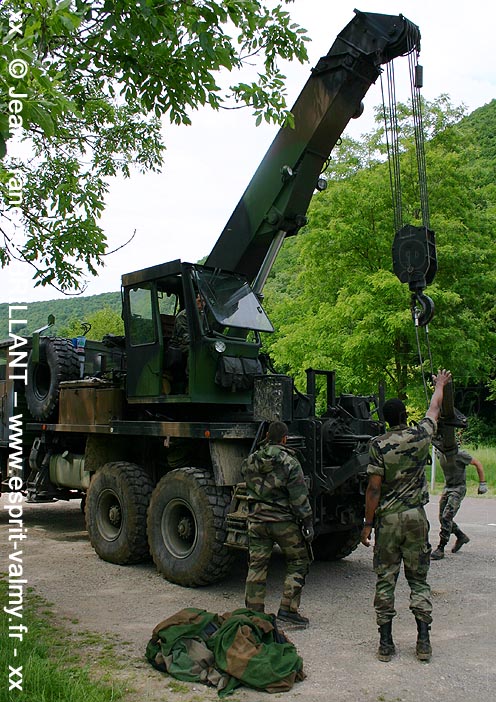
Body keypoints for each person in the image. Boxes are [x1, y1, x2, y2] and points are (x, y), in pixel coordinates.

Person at [361, 369, 452, 663]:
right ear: (403, 414)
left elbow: (373, 490)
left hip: (388, 521)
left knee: (386, 579)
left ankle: (386, 644)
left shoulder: (378, 444)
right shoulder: (421, 434)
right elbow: (434, 409)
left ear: (386, 419)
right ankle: (423, 641)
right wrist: (439, 384)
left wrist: (367, 525)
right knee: (419, 580)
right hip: (415, 517)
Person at [242, 420, 314, 627]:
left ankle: (253, 614)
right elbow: (299, 498)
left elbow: (244, 475)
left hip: (256, 522)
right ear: (284, 438)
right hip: (283, 523)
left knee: (257, 565)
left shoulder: (252, 460)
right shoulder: (290, 462)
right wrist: (307, 522)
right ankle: (288, 610)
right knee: (299, 560)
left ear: (266, 436)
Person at [431, 443, 487, 560]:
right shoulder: (439, 453)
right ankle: (461, 536)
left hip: (458, 488)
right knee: (442, 517)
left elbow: (477, 463)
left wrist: (482, 483)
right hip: (447, 487)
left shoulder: (459, 454)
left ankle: (441, 548)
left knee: (447, 517)